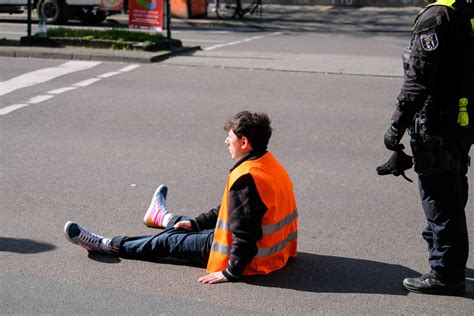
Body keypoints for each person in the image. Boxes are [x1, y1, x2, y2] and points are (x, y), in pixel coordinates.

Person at [64, 111, 298, 284]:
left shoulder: (246, 178)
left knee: (167, 242)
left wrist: (231, 272)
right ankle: (163, 217)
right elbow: (231, 212)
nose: (226, 141)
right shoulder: (267, 164)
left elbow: (245, 235)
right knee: (187, 229)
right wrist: (196, 223)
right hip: (275, 252)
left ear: (244, 142)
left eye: (230, 137)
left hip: (250, 257)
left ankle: (104, 244)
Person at [383, 0, 473, 295]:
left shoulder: (437, 15)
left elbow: (418, 78)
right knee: (454, 183)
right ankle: (444, 251)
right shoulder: (466, 9)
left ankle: (446, 274)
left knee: (439, 195)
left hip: (438, 121)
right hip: (463, 117)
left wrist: (396, 125)